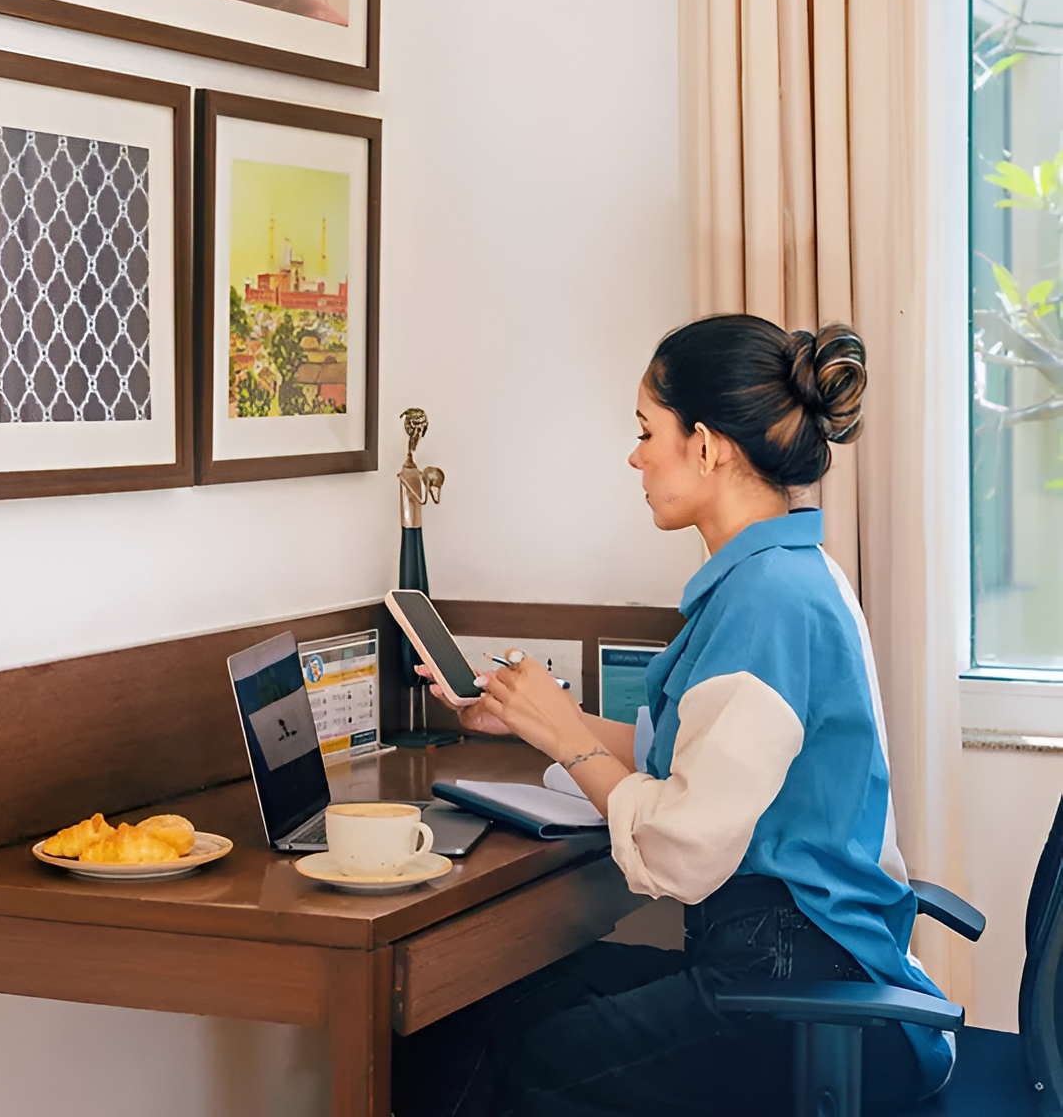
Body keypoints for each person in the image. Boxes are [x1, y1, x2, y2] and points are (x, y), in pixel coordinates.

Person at [391, 314, 954, 1117]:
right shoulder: (787, 575)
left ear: (708, 444)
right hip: (798, 971)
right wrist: (530, 716)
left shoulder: (770, 604)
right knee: (488, 1015)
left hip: (807, 1000)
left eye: (646, 430)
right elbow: (687, 757)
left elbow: (685, 851)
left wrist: (560, 732)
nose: (635, 455)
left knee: (536, 1058)